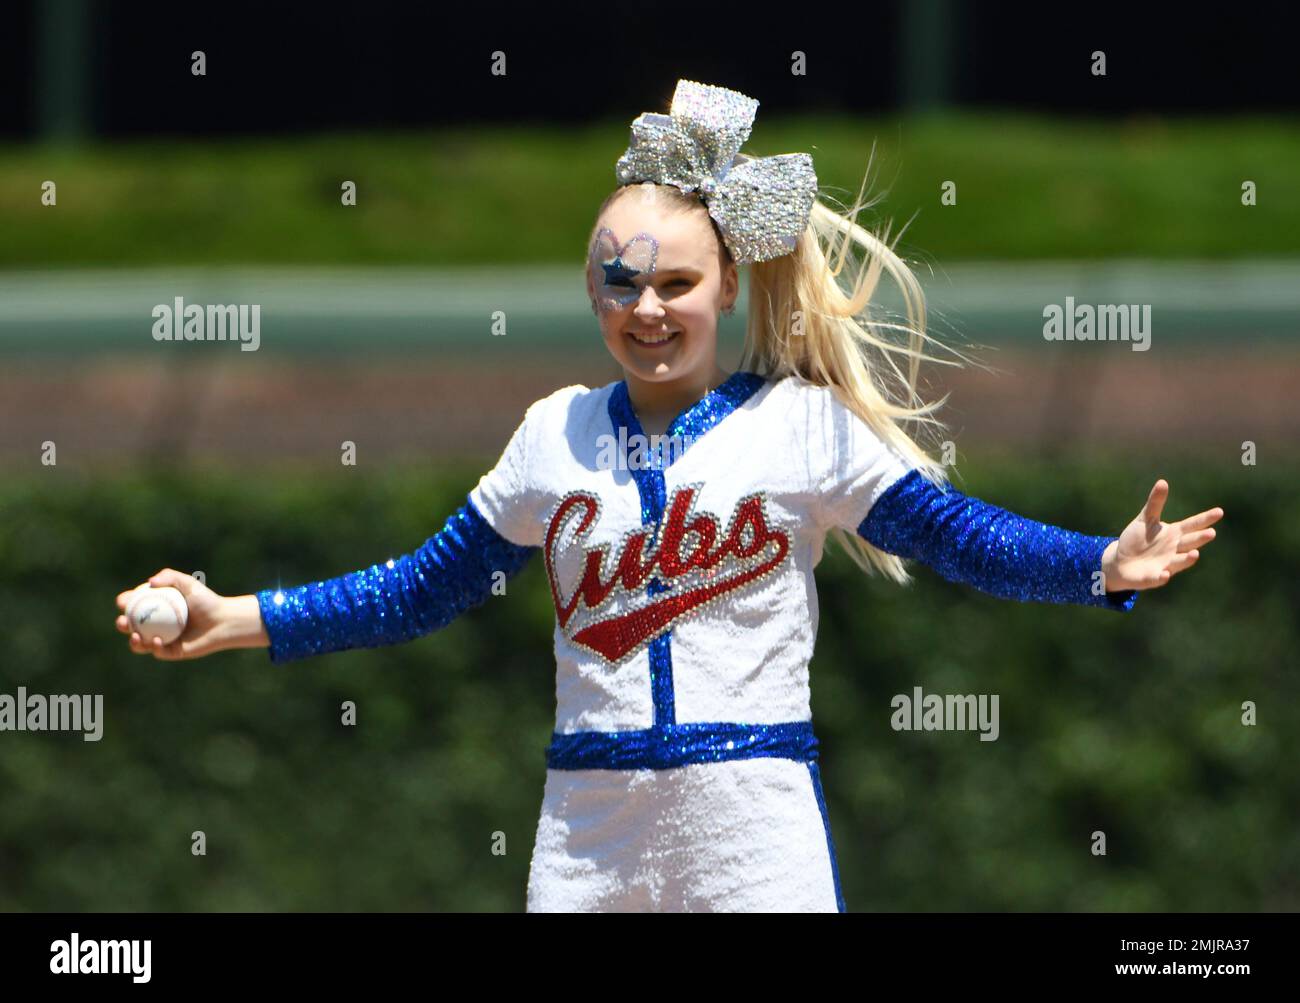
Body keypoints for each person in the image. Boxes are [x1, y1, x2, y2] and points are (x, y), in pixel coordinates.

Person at [115, 80, 1224, 912]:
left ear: (729, 283)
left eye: (677, 281)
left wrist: (1097, 565)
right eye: (620, 281)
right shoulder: (554, 433)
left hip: (751, 817)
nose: (647, 306)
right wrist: (235, 620)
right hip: (588, 828)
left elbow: (953, 534)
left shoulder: (796, 425)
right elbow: (418, 589)